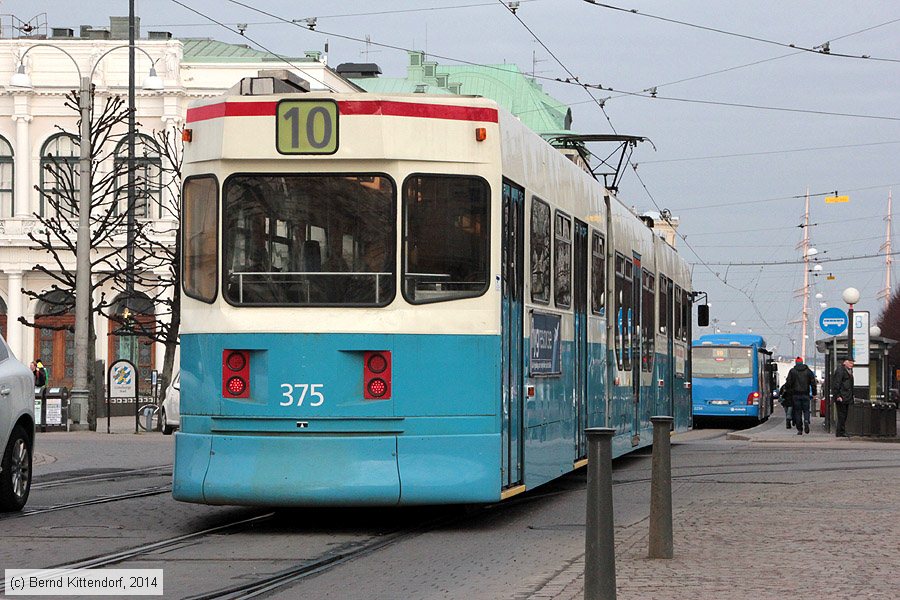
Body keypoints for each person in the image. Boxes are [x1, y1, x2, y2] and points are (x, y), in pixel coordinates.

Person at [785, 357, 816, 435]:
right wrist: (814, 394)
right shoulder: (808, 371)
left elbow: (788, 383)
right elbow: (813, 383)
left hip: (795, 395)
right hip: (806, 394)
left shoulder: (792, 371)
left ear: (796, 363)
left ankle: (799, 429)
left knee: (797, 412)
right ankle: (806, 420)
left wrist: (789, 392)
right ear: (802, 362)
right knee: (806, 410)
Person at [831, 358, 855, 437]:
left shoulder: (848, 370)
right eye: (851, 363)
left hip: (846, 396)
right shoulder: (841, 371)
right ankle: (840, 432)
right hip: (842, 397)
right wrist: (838, 396)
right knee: (841, 415)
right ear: (845, 362)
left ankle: (841, 431)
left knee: (844, 415)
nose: (852, 365)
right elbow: (836, 384)